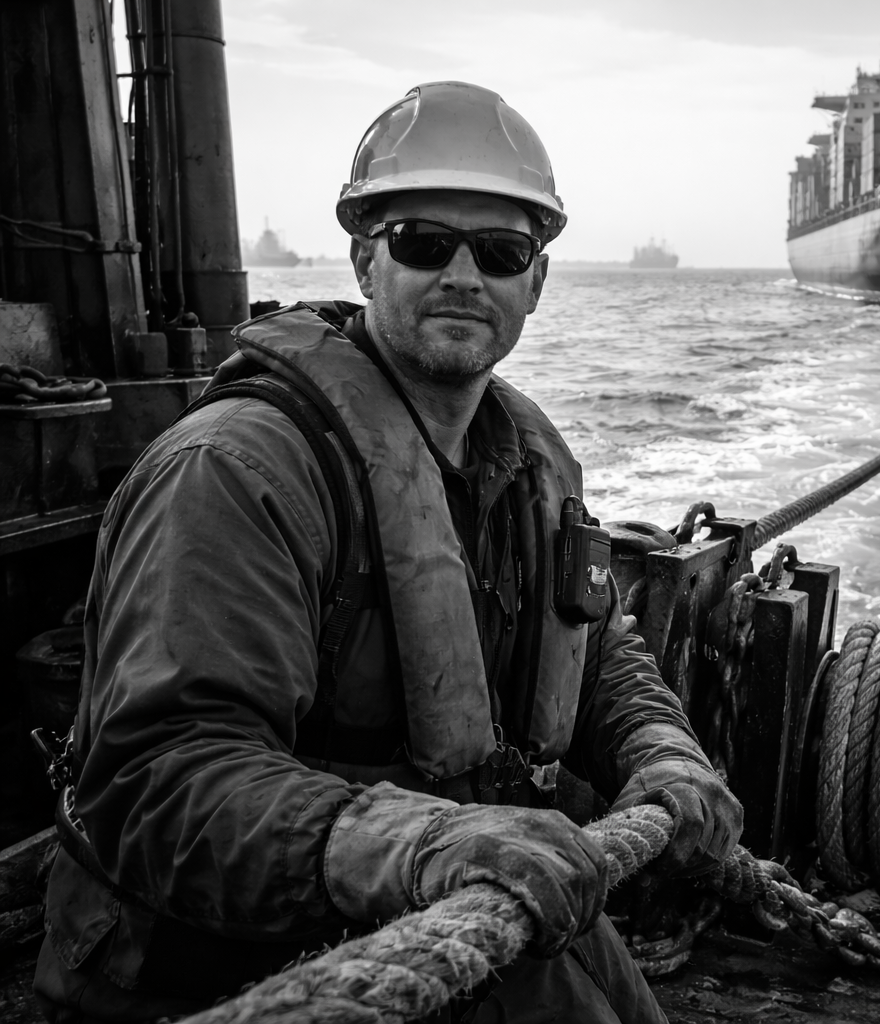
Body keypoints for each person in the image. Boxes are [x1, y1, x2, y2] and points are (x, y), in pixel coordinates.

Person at [35, 81, 741, 1024]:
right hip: (214, 969)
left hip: (455, 895)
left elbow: (596, 643)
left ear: (535, 282)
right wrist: (417, 845)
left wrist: (662, 749)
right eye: (422, 242)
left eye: (501, 252)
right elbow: (158, 780)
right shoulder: (238, 473)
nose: (464, 276)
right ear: (366, 258)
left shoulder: (525, 468)